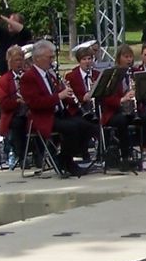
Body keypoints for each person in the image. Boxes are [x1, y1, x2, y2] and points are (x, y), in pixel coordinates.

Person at [19, 40, 92, 177]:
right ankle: (67, 161)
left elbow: (61, 95)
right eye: (50, 57)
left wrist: (73, 97)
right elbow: (35, 103)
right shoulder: (29, 77)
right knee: (72, 128)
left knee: (86, 125)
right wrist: (59, 96)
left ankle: (63, 157)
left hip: (58, 113)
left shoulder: (50, 74)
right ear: (38, 58)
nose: (52, 61)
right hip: (42, 117)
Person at [99, 44, 140, 168]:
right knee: (122, 121)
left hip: (131, 110)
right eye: (126, 57)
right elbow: (106, 98)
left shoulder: (135, 73)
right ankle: (125, 156)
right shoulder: (112, 75)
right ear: (118, 58)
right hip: (113, 112)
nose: (129, 60)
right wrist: (122, 99)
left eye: (130, 57)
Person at [0, 46, 29, 168]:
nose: (20, 63)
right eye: (16, 60)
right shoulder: (3, 80)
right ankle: (22, 156)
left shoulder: (29, 76)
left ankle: (41, 153)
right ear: (9, 61)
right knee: (18, 123)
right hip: (13, 114)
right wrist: (18, 101)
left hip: (30, 112)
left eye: (21, 59)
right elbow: (3, 103)